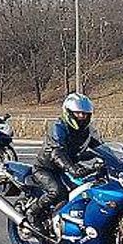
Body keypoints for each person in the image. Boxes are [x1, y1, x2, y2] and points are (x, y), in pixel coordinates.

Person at [24, 93, 102, 233]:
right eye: (78, 113)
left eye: (85, 114)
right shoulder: (59, 127)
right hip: (46, 168)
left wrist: (120, 158)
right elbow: (57, 152)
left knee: (87, 188)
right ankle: (32, 214)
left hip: (67, 167)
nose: (82, 117)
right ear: (69, 112)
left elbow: (101, 147)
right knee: (57, 192)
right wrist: (72, 169)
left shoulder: (87, 130)